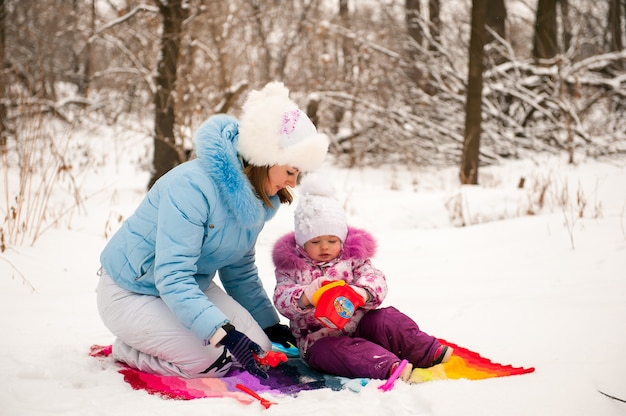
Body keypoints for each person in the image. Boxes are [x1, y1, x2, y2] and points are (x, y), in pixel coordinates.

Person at [96, 82, 329, 380]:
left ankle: (177, 338)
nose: (293, 183)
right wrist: (226, 335)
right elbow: (171, 275)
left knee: (258, 348)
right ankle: (128, 349)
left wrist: (269, 325)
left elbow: (239, 271)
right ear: (265, 158)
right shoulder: (191, 187)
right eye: (290, 172)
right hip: (132, 290)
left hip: (190, 285)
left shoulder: (257, 198)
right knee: (207, 362)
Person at [272, 172, 453, 382]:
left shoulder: (352, 258)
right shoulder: (292, 267)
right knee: (338, 352)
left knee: (386, 319)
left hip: (360, 324)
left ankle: (425, 351)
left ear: (342, 238)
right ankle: (387, 366)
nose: (324, 247)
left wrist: (360, 293)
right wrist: (306, 296)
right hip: (319, 340)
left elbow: (375, 278)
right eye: (315, 242)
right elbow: (281, 297)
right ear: (301, 243)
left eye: (332, 240)